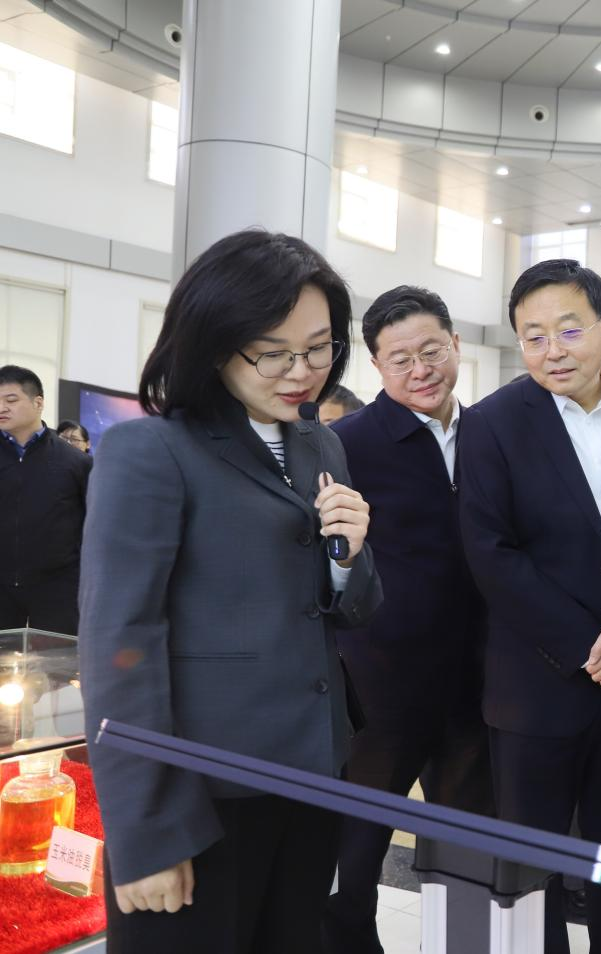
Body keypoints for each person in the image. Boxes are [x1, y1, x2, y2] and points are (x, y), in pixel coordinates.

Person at [78, 229, 382, 954]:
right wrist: (148, 831)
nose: (301, 372)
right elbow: (120, 644)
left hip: (311, 775)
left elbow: (349, 608)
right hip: (201, 792)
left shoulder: (320, 443)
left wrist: (348, 557)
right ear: (214, 344)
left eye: (320, 348)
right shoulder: (152, 450)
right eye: (273, 352)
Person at [459, 259, 601, 954]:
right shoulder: (491, 424)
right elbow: (492, 554)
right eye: (534, 337)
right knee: (534, 860)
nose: (552, 350)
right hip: (536, 682)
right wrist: (593, 648)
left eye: (569, 330)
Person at [323, 286, 493, 953]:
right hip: (381, 687)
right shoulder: (346, 444)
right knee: (357, 845)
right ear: (376, 365)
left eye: (432, 351)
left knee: (468, 848)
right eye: (400, 359)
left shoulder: (490, 435)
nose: (420, 370)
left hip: (479, 685)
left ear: (456, 344)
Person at [0, 366, 92, 633]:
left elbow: (92, 526)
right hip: (1, 586)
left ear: (38, 402)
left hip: (58, 587)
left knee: (56, 657)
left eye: (11, 400)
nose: (2, 407)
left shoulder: (76, 462)